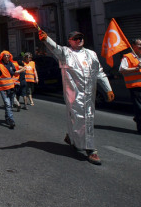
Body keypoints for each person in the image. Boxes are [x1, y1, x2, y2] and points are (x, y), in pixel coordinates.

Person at [39, 29, 114, 165]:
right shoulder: (66, 53)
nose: (79, 40)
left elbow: (99, 72)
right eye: (75, 38)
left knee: (87, 117)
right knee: (78, 117)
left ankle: (74, 139)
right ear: (70, 41)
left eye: (81, 37)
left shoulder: (91, 54)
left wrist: (108, 88)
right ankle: (90, 149)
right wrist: (46, 39)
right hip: (74, 93)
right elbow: (54, 48)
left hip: (89, 94)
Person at [0, 51, 23, 129]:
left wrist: (21, 70)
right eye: (5, 56)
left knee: (10, 105)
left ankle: (7, 118)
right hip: (3, 88)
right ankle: (11, 120)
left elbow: (14, 73)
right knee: (7, 104)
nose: (7, 57)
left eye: (8, 56)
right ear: (2, 57)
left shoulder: (11, 64)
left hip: (11, 87)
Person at [119, 38, 141, 134]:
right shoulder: (127, 57)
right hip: (135, 86)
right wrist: (136, 68)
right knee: (139, 108)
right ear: (134, 47)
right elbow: (122, 69)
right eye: (140, 45)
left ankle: (137, 118)